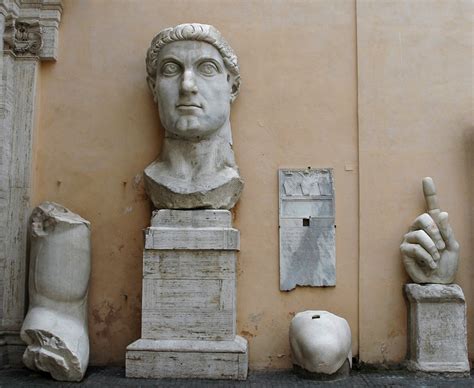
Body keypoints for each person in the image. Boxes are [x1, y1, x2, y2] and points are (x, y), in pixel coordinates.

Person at [144, 23, 243, 210]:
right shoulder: (154, 177)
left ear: (233, 87)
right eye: (171, 69)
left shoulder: (227, 180)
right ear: (153, 88)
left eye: (207, 68)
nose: (187, 86)